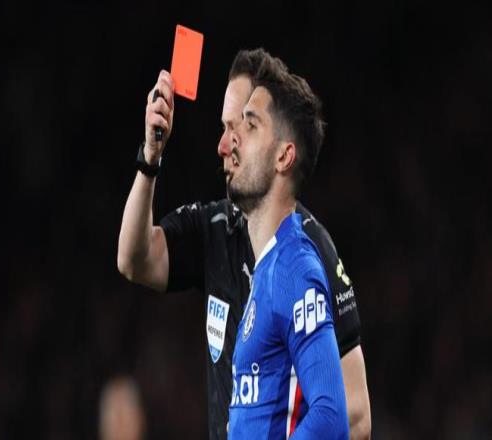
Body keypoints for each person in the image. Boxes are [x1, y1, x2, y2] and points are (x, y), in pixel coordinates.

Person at [118, 49, 371, 439]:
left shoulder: (302, 258)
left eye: (245, 126)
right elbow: (134, 260)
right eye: (225, 127)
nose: (226, 144)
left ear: (281, 151)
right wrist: (150, 159)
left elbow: (349, 416)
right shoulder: (219, 232)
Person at [225, 53, 348, 438]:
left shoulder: (295, 267)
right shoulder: (268, 269)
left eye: (251, 125)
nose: (234, 137)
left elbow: (331, 415)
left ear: (283, 156)